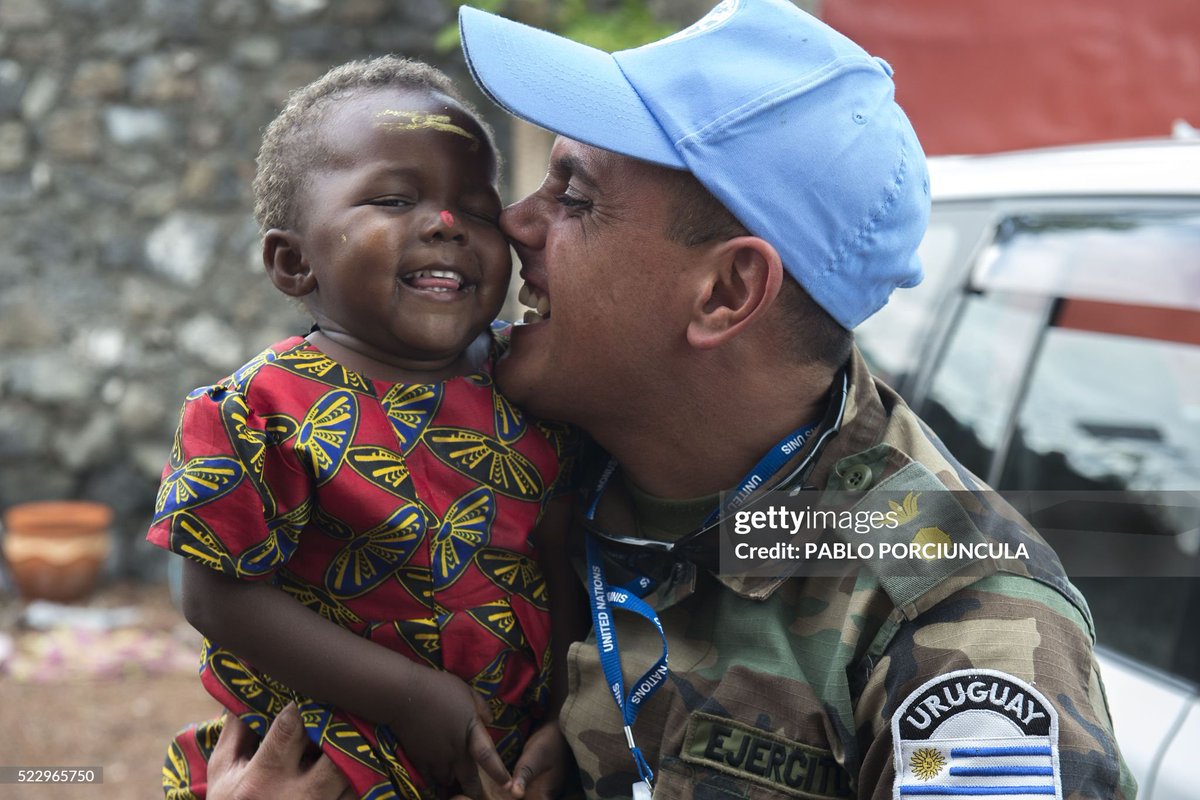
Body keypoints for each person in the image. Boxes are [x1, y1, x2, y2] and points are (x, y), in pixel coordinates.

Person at [209, 2, 1136, 798]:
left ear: (726, 294)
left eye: (572, 194)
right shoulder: (490, 454)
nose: (513, 222)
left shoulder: (959, 635)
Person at [148, 55, 580, 800]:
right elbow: (217, 598)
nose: (446, 225)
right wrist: (410, 698)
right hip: (334, 760)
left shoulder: (529, 380)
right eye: (391, 199)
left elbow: (561, 544)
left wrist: (572, 711)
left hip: (506, 761)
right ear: (293, 263)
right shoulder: (260, 409)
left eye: (477, 208)